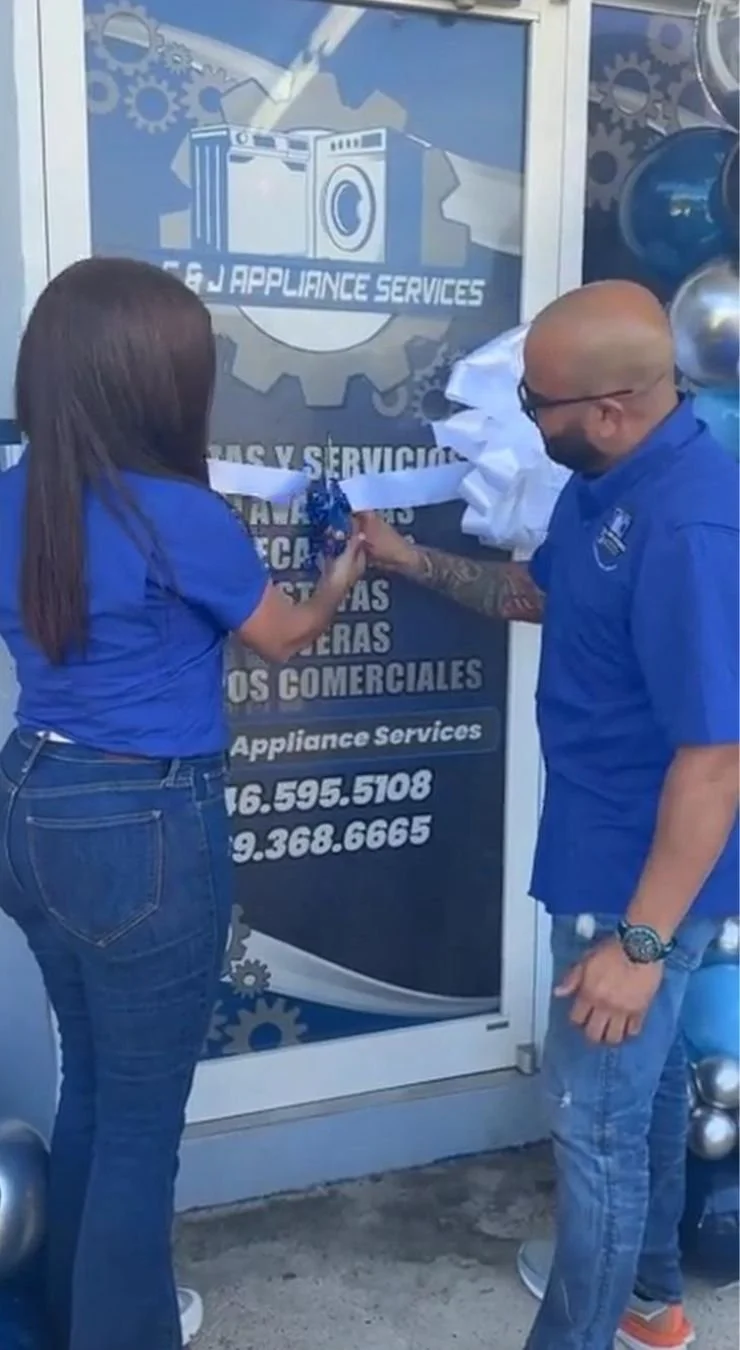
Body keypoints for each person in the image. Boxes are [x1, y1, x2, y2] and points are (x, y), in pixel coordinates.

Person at [357, 280, 739, 1350]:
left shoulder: (692, 525)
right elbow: (544, 594)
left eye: (535, 407)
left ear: (608, 410)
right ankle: (652, 1307)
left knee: (597, 1137)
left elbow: (715, 761)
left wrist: (641, 941)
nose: (525, 420)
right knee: (647, 1096)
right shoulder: (605, 483)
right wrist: (407, 561)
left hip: (636, 880)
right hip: (598, 849)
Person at [0, 256, 365, 1350]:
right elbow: (285, 637)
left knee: (94, 1089)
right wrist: (339, 574)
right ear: (160, 384)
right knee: (141, 1124)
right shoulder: (179, 516)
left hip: (30, 796)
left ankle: (78, 1319)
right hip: (144, 822)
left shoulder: (13, 496)